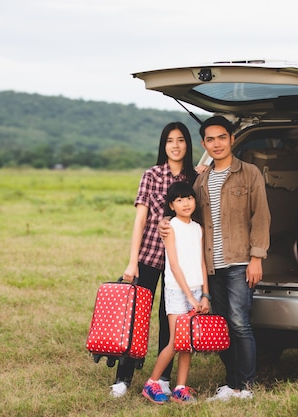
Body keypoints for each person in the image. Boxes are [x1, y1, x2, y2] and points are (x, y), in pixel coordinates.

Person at [160, 115, 271, 401]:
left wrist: (257, 257)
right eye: (210, 139)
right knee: (220, 326)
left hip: (238, 263)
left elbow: (261, 216)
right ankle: (230, 382)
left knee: (240, 323)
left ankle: (245, 386)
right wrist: (166, 223)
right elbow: (187, 215)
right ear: (204, 144)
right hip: (210, 267)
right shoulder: (201, 180)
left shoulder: (249, 173)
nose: (217, 143)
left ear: (232, 139)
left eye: (222, 137)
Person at [109, 122, 197, 398]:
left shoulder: (195, 177)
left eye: (181, 140)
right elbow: (140, 220)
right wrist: (132, 261)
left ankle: (163, 380)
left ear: (187, 145)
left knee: (169, 318)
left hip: (178, 262)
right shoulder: (151, 175)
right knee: (136, 317)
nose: (175, 145)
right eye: (169, 140)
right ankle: (123, 377)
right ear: (163, 145)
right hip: (149, 253)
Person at [142, 181, 210, 404]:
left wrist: (204, 295)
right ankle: (152, 384)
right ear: (171, 205)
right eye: (179, 200)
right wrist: (189, 296)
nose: (185, 203)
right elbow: (173, 264)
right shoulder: (171, 227)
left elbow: (201, 262)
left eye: (189, 198)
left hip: (196, 289)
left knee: (187, 342)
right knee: (175, 341)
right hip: (176, 291)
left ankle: (181, 388)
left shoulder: (197, 228)